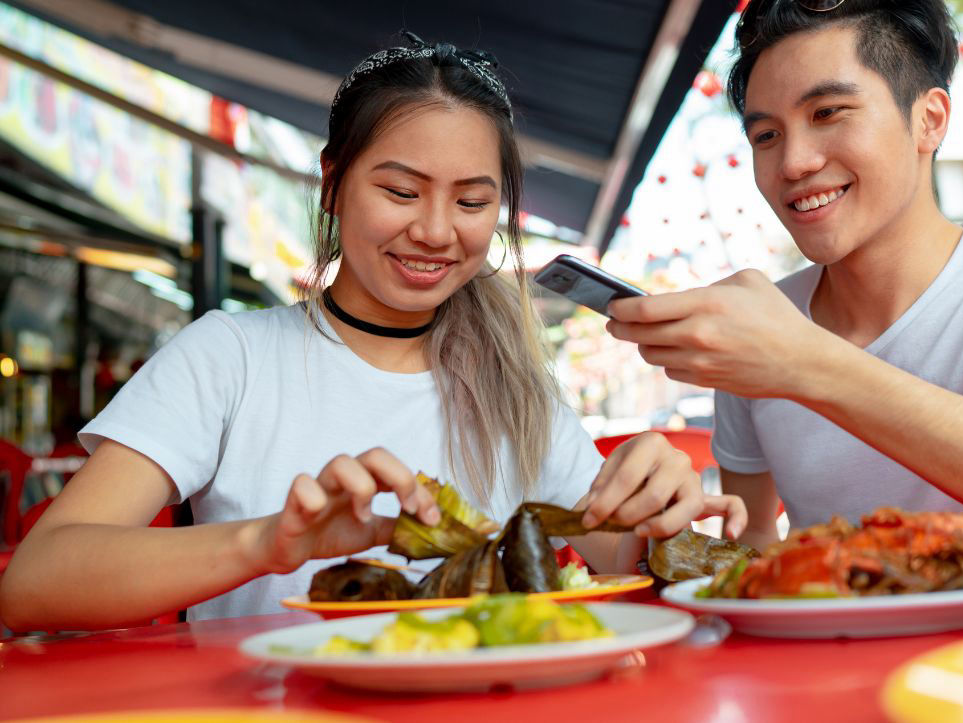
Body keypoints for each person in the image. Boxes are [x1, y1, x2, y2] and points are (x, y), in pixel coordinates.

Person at [0, 34, 744, 632]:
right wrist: (269, 543)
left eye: (472, 201)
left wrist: (658, 506)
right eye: (399, 190)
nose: (434, 231)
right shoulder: (229, 356)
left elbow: (621, 551)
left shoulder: (515, 383)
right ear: (332, 182)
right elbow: (34, 584)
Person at [605, 0, 963, 549]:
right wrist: (662, 523)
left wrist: (805, 362)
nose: (794, 163)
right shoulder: (760, 323)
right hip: (833, 635)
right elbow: (749, 543)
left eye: (827, 113)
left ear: (929, 120)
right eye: (766, 136)